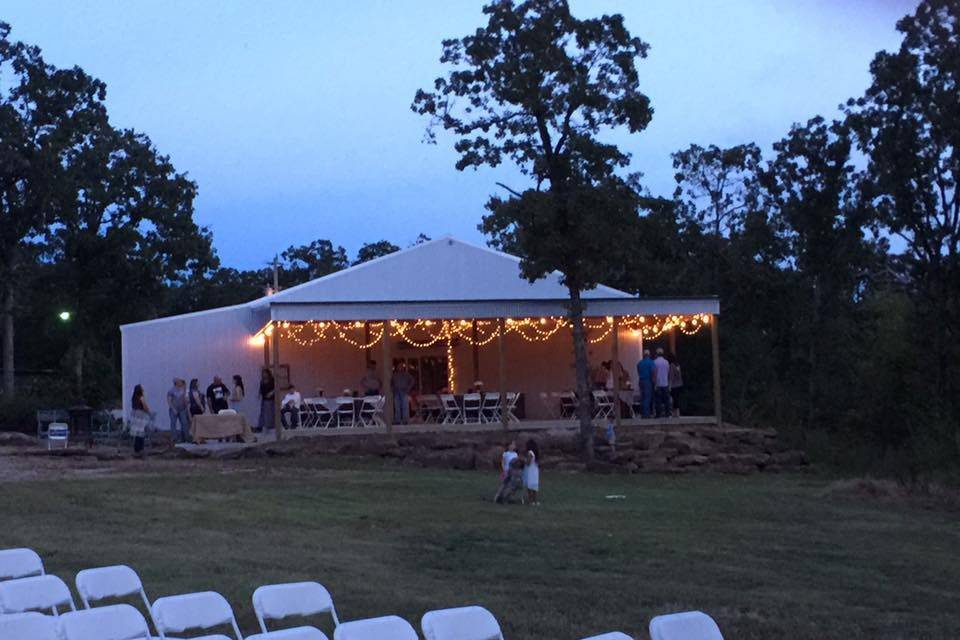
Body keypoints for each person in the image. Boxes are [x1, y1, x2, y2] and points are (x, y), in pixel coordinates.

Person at [130, 384, 151, 458]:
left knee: (136, 433)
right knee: (141, 432)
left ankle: (136, 448)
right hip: (140, 414)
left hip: (134, 414)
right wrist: (148, 412)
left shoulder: (133, 397)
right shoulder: (141, 397)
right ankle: (140, 448)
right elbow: (145, 406)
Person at [166, 378, 190, 444]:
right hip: (174, 410)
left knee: (184, 423)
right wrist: (173, 409)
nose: (181, 382)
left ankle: (186, 437)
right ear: (176, 382)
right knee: (173, 423)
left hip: (182, 409)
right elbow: (169, 401)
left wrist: (186, 402)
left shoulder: (183, 389)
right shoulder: (171, 390)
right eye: (179, 381)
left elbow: (186, 399)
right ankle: (174, 438)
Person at [636, 350, 655, 418]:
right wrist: (653, 381)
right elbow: (653, 372)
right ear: (649, 355)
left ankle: (642, 413)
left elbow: (638, 371)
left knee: (642, 397)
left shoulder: (639, 363)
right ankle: (646, 414)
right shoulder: (651, 362)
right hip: (648, 381)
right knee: (647, 397)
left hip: (641, 381)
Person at [653, 348, 671, 418]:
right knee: (666, 400)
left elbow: (654, 374)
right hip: (665, 383)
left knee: (658, 400)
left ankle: (658, 414)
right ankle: (667, 413)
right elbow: (668, 372)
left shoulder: (655, 362)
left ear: (657, 354)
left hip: (658, 383)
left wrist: (654, 384)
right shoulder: (666, 362)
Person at [523, 439, 540, 505]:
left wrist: (523, 460)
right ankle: (535, 500)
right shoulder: (536, 453)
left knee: (530, 486)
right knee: (535, 486)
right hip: (535, 470)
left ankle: (531, 501)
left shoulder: (530, 452)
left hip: (530, 471)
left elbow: (528, 462)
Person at [668, 353, 684, 418]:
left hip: (674, 385)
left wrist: (669, 386)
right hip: (680, 384)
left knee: (674, 399)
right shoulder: (678, 365)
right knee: (677, 399)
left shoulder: (671, 365)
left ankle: (675, 414)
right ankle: (678, 413)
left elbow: (671, 376)